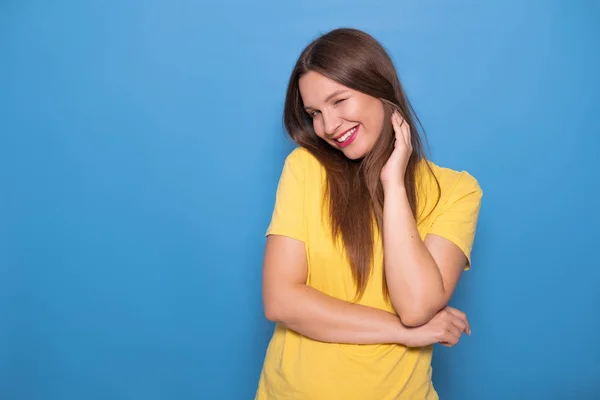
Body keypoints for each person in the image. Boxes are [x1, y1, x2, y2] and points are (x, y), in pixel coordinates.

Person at [255, 28, 483, 400]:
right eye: (315, 113)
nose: (328, 127)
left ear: (381, 88)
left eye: (339, 101)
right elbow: (281, 300)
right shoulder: (306, 169)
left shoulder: (456, 191)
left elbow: (416, 306)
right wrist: (403, 333)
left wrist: (393, 185)